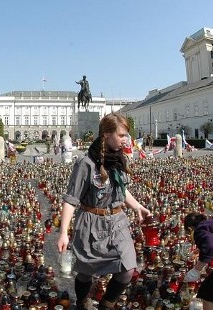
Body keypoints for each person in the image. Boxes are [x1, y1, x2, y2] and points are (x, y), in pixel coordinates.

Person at [56, 112, 151, 310]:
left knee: (127, 269)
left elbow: (120, 189)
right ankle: (82, 302)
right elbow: (71, 199)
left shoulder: (117, 158)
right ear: (107, 134)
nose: (126, 140)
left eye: (126, 135)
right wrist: (64, 232)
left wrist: (137, 206)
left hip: (117, 222)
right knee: (85, 272)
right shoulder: (86, 163)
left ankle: (107, 305)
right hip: (91, 223)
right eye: (122, 135)